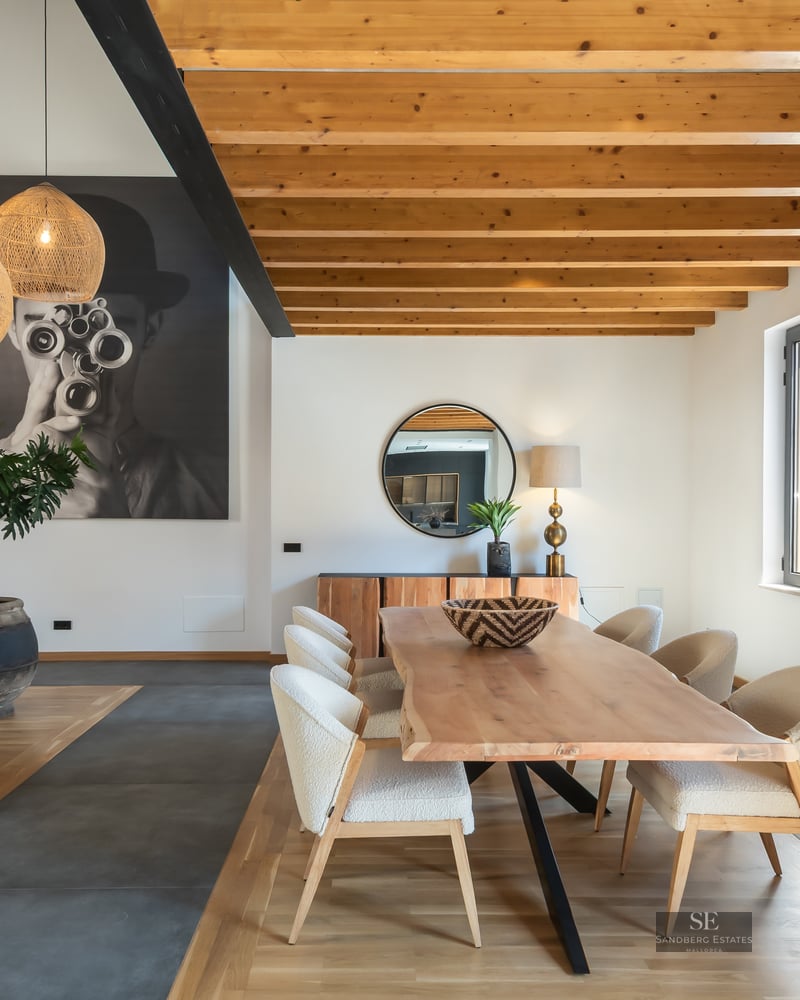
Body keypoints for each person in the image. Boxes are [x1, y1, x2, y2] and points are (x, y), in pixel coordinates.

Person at [0, 194, 227, 519]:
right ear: (12, 331)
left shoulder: (217, 491)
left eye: (106, 342)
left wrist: (117, 530)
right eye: (45, 337)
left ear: (148, 329)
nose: (71, 361)